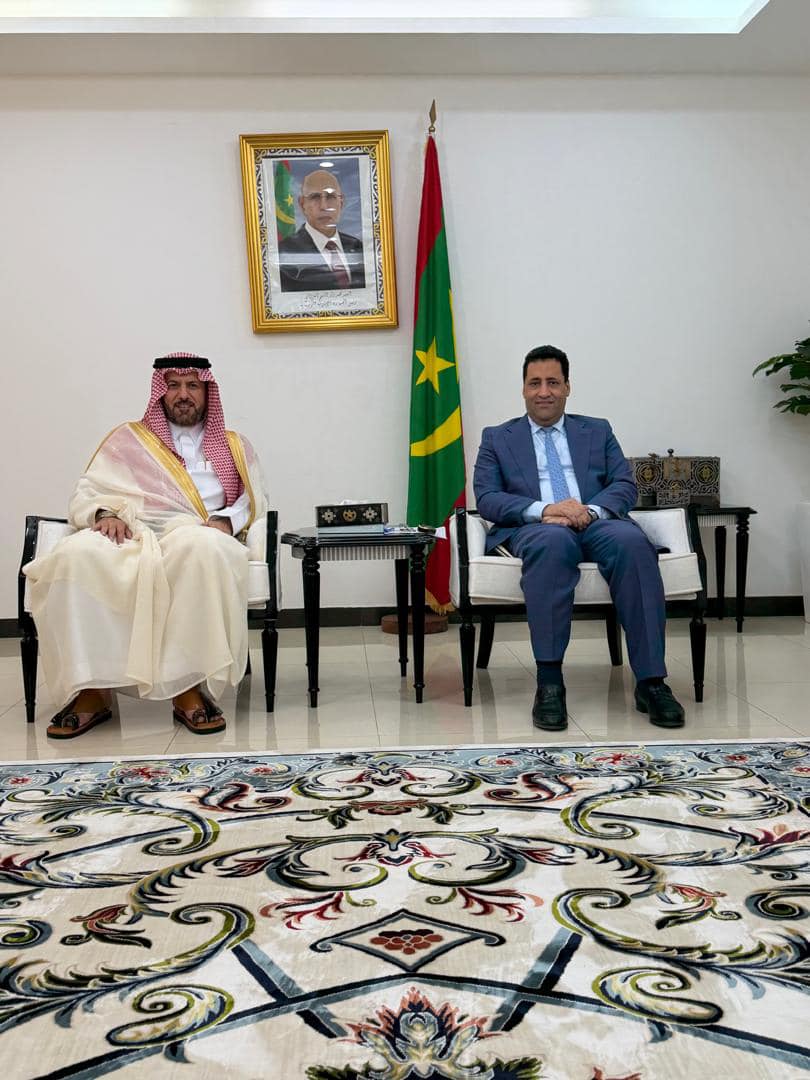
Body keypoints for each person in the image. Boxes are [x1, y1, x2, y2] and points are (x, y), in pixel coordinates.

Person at [24, 352, 267, 739]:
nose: (183, 394)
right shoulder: (128, 439)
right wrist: (107, 512)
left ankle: (188, 686)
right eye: (173, 385)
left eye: (192, 385)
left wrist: (226, 521)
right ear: (160, 392)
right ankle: (92, 690)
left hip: (196, 529)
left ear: (207, 391)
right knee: (77, 555)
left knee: (200, 549)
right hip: (134, 530)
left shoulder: (234, 445)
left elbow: (251, 501)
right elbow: (91, 489)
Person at [473, 344, 685, 732]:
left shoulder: (597, 430)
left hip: (595, 520)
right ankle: (550, 682)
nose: (544, 392)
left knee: (632, 543)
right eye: (535, 383)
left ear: (568, 387)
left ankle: (652, 682)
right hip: (537, 526)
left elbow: (624, 484)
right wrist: (545, 510)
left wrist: (589, 511)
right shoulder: (497, 437)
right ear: (523, 389)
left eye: (553, 382)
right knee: (552, 544)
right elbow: (486, 497)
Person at [278, 169, 365, 292]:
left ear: (341, 203)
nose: (324, 206)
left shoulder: (358, 247)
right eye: (315, 197)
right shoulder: (284, 253)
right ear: (302, 204)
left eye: (330, 197)